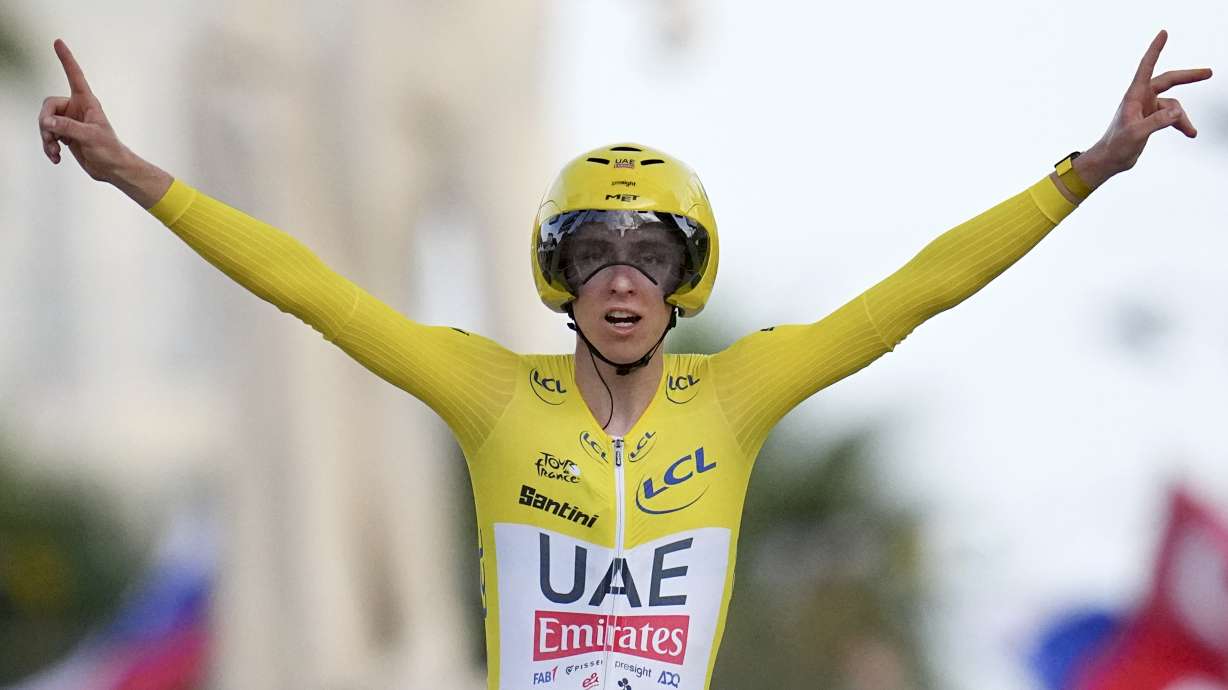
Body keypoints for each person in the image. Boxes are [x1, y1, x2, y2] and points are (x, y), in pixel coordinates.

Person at [38, 31, 1210, 690]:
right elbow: (308, 286)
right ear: (558, 273)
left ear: (683, 276)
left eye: (649, 253)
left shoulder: (739, 396)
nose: (619, 277)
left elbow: (919, 290)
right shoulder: (492, 393)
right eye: (591, 250)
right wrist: (133, 171)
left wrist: (1088, 167)